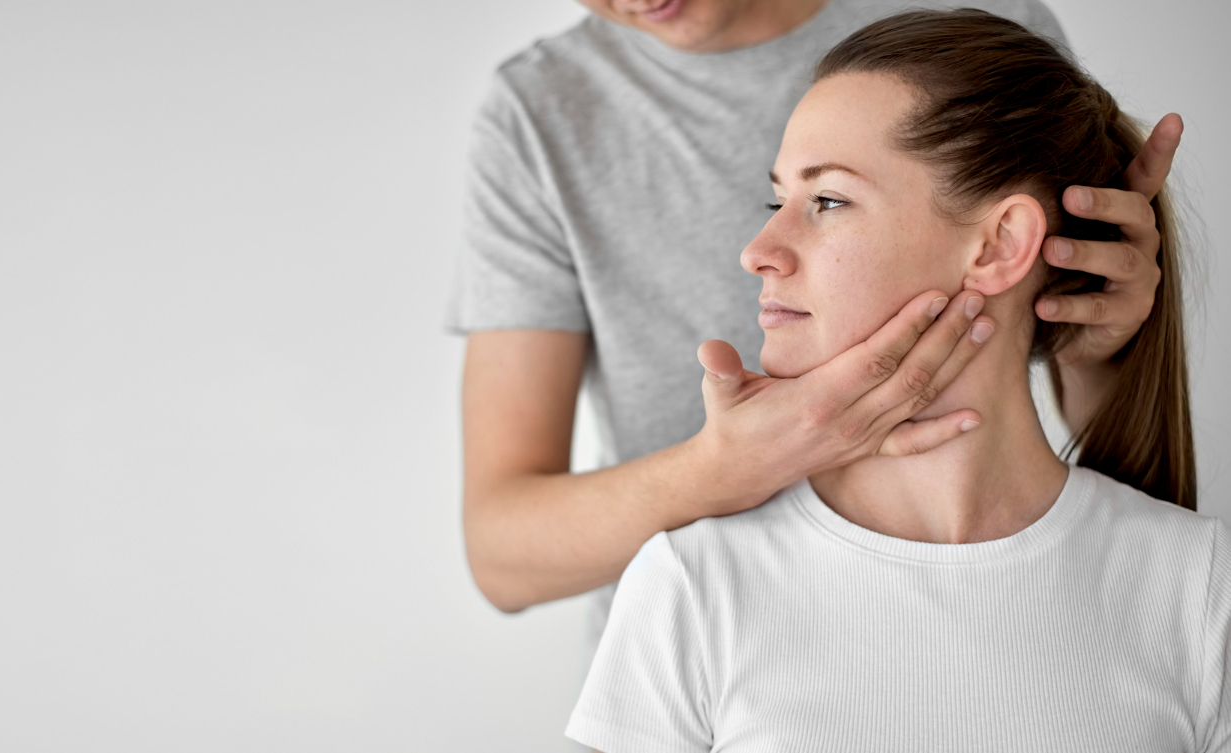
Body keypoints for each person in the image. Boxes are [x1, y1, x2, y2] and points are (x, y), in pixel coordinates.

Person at [442, 0, 1183, 663]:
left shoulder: (985, 23)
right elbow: (502, 552)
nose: (756, 252)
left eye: (827, 199)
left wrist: (1098, 353)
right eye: (778, 199)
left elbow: (1125, 537)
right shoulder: (540, 112)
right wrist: (725, 467)